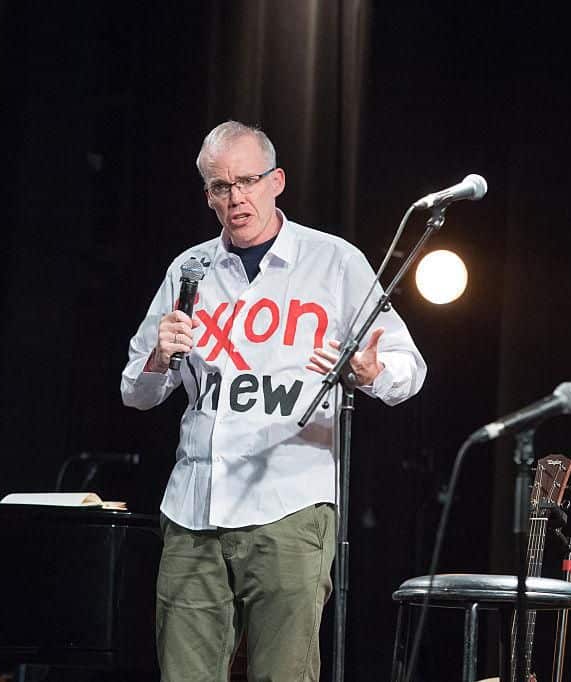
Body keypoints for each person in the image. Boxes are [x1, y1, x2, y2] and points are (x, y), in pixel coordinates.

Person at [121, 121, 426, 681]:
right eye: (220, 186)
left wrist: (371, 371)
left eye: (248, 181)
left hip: (288, 506)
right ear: (207, 195)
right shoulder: (189, 269)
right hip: (193, 508)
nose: (235, 197)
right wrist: (160, 357)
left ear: (277, 181)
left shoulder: (333, 262)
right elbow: (135, 392)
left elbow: (410, 368)